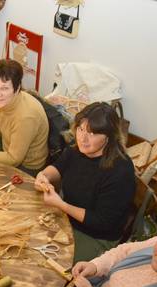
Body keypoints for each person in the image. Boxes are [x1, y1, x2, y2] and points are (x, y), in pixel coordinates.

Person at [35, 102, 135, 263]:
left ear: (109, 137)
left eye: (93, 133)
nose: (83, 138)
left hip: (95, 235)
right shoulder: (77, 150)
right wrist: (43, 175)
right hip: (68, 218)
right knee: (29, 236)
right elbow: (58, 167)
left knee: (45, 261)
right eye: (81, 129)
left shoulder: (121, 172)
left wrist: (61, 205)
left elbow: (102, 222)